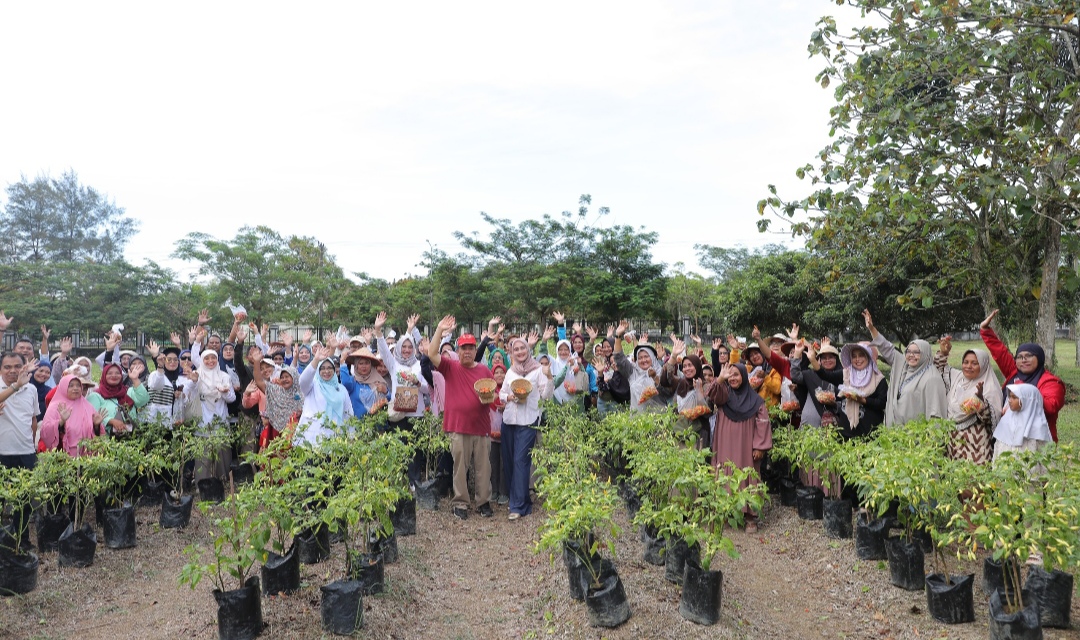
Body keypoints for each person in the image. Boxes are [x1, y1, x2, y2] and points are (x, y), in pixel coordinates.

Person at [428, 315, 495, 521]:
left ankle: (483, 502)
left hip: (481, 426)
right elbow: (431, 353)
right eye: (463, 348)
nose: (467, 351)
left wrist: (489, 398)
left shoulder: (484, 369)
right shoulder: (451, 367)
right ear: (458, 351)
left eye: (471, 348)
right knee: (460, 467)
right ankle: (460, 503)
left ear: (476, 351)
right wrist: (439, 329)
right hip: (458, 426)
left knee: (484, 467)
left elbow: (492, 394)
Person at [979, 309, 1066, 443]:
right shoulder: (1014, 372)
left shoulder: (1050, 382)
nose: (1023, 360)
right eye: (1019, 357)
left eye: (1029, 356)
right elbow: (1000, 352)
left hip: (1036, 441)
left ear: (1040, 358)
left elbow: (1051, 406)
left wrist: (1023, 398)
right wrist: (985, 330)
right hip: (1008, 436)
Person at [707, 362, 772, 533]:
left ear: (744, 376)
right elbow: (711, 394)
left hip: (746, 446)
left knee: (747, 474)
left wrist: (760, 446)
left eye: (737, 374)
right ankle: (728, 513)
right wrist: (720, 378)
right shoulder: (724, 394)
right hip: (725, 443)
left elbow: (763, 423)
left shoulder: (755, 400)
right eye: (731, 375)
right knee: (725, 473)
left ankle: (749, 516)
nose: (733, 378)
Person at [499, 335, 554, 521]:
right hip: (509, 421)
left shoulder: (538, 370)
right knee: (508, 461)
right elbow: (501, 393)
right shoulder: (510, 371)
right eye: (516, 349)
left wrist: (549, 376)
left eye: (523, 348)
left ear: (528, 350)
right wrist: (508, 398)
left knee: (520, 461)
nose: (520, 352)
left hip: (528, 421)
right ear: (512, 353)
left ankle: (518, 506)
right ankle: (519, 498)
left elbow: (546, 395)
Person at [863, 309, 947, 426]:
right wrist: (872, 328)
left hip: (915, 438)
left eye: (917, 352)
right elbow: (886, 347)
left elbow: (935, 414)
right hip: (896, 434)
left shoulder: (932, 378)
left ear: (925, 354)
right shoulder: (903, 365)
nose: (911, 355)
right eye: (908, 351)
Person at [935, 338, 1002, 464]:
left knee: (974, 481)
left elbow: (991, 420)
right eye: (965, 362)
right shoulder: (957, 378)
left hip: (977, 448)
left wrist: (980, 400)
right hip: (952, 446)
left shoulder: (989, 386)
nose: (968, 366)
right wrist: (943, 353)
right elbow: (939, 369)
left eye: (974, 363)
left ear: (982, 365)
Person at [186, 350, 237, 482]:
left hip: (220, 419)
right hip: (203, 420)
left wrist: (225, 393)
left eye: (213, 358)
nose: (210, 361)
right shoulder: (197, 375)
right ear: (202, 360)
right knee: (203, 457)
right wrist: (193, 382)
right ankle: (202, 484)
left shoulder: (224, 376)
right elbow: (188, 392)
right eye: (206, 358)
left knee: (223, 453)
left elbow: (232, 398)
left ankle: (223, 482)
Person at [659, 337, 711, 448]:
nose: (687, 369)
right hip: (679, 431)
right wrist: (673, 356)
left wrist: (700, 393)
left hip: (698, 433)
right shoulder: (681, 383)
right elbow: (665, 379)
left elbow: (707, 412)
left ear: (697, 366)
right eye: (685, 366)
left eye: (690, 365)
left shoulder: (706, 385)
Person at [295, 349, 354, 445]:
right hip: (311, 439)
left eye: (330, 368)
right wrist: (316, 360)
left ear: (334, 370)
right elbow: (303, 380)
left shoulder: (341, 389)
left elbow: (348, 413)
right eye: (322, 368)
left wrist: (351, 436)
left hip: (335, 439)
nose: (326, 371)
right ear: (318, 370)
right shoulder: (312, 386)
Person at [40, 373, 107, 457]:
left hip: (86, 456)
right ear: (64, 387)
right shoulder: (56, 406)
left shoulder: (87, 406)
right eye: (71, 386)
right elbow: (45, 431)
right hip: (64, 456)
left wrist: (96, 426)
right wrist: (61, 422)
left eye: (78, 386)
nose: (75, 388)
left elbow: (97, 435)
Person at [835, 342, 888, 439]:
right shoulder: (847, 374)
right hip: (847, 433)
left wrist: (863, 400)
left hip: (871, 434)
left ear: (869, 357)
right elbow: (826, 375)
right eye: (854, 356)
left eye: (861, 355)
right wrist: (813, 359)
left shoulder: (878, 378)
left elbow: (882, 403)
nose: (857, 359)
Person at [612, 321, 667, 412]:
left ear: (653, 358)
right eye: (640, 358)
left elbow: (666, 392)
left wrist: (654, 377)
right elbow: (619, 358)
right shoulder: (632, 372)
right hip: (638, 421)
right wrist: (618, 335)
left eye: (646, 356)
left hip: (659, 421)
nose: (643, 360)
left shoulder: (661, 371)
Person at [993, 384, 1053, 461]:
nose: (1010, 400)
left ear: (1028, 400)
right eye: (1010, 397)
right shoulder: (1005, 421)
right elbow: (998, 450)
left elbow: (1044, 457)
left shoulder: (1038, 426)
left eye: (1014, 397)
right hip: (1005, 469)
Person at [88, 362, 149, 436]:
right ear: (104, 376)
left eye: (117, 373)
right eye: (109, 373)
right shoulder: (96, 396)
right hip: (107, 441)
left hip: (132, 439)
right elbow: (91, 418)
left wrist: (135, 379)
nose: (114, 375)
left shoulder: (128, 391)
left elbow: (143, 400)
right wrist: (111, 421)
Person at [145, 347, 192, 426]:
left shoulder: (179, 379)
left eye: (175, 359)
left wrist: (182, 396)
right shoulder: (156, 375)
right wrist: (160, 366)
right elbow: (157, 386)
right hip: (156, 421)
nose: (172, 362)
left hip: (175, 423)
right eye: (169, 359)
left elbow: (185, 402)